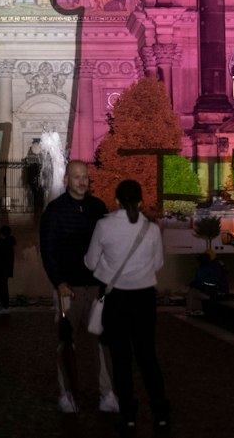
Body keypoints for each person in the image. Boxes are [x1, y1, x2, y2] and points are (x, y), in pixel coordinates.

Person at [84, 179, 170, 435]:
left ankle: (129, 416)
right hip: (144, 299)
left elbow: (90, 263)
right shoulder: (151, 229)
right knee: (148, 357)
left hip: (116, 300)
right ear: (141, 202)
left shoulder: (104, 225)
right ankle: (160, 414)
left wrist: (107, 267)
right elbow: (158, 264)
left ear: (116, 201)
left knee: (121, 360)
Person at [39, 158, 112, 414]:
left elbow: (107, 246)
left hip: (95, 287)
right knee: (66, 341)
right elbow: (48, 250)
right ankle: (67, 393)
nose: (82, 181)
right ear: (66, 180)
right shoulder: (55, 210)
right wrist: (58, 282)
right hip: (67, 288)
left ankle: (106, 393)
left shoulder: (98, 207)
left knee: (102, 342)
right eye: (77, 177)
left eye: (85, 177)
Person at [185, 250, 229, 316]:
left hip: (214, 293)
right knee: (195, 290)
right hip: (220, 291)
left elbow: (201, 284)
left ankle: (189, 310)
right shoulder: (216, 265)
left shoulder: (203, 270)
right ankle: (198, 310)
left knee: (192, 292)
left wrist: (192, 284)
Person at [0, 225, 16, 313]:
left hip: (0, 269)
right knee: (4, 287)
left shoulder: (2, 243)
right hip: (6, 269)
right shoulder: (9, 242)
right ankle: (5, 305)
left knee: (1, 288)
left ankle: (4, 305)